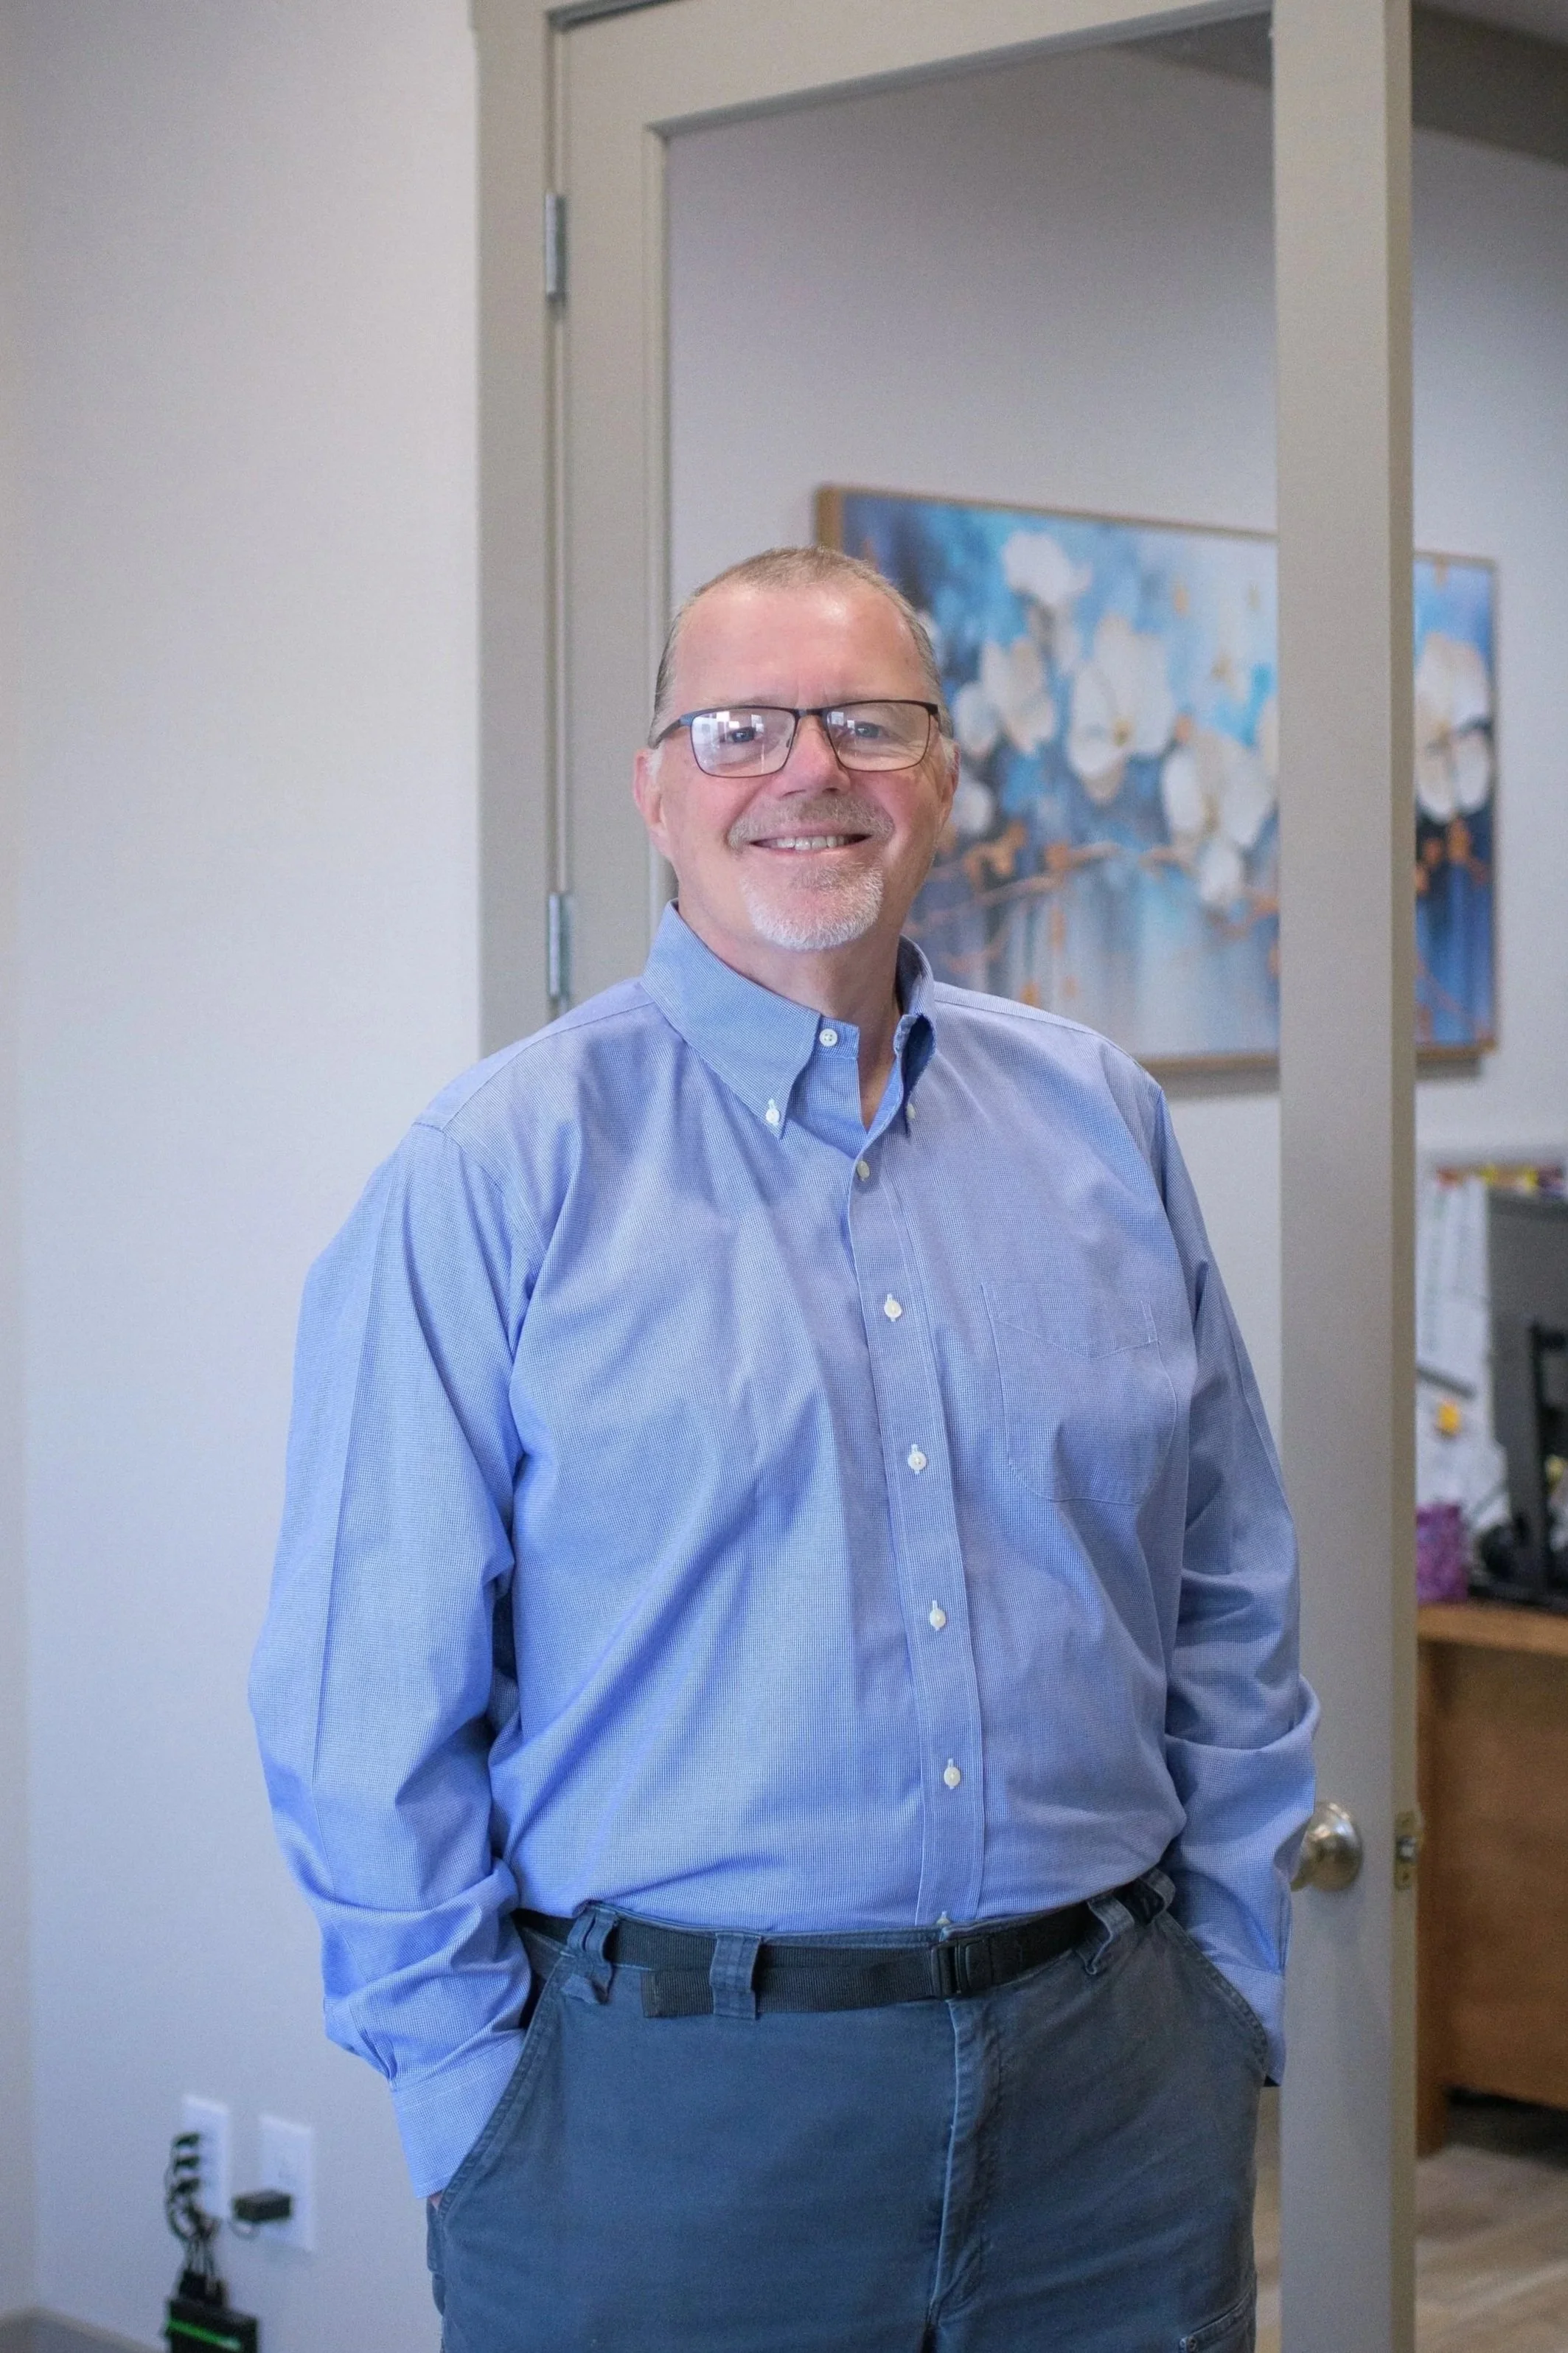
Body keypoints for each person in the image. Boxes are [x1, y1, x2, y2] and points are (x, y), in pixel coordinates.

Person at [251, 545, 1316, 2353]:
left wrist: (1226, 1992)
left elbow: (1229, 1590)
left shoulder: (1098, 1123)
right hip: (662, 2126)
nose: (808, 769)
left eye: (867, 721)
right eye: (741, 727)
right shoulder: (495, 1173)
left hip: (1114, 2104)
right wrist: (473, 2100)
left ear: (943, 779)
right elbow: (366, 1708)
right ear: (658, 791)